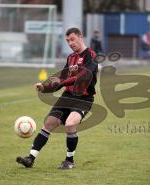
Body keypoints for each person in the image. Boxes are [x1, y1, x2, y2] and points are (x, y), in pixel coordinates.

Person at [16, 27, 98, 169]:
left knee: (70, 124)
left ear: (80, 37)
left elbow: (82, 76)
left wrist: (62, 82)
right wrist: (44, 87)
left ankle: (69, 161)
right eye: (67, 41)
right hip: (67, 96)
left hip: (83, 98)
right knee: (48, 123)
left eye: (72, 39)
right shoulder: (70, 57)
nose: (70, 43)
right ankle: (30, 159)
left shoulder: (90, 55)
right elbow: (61, 78)